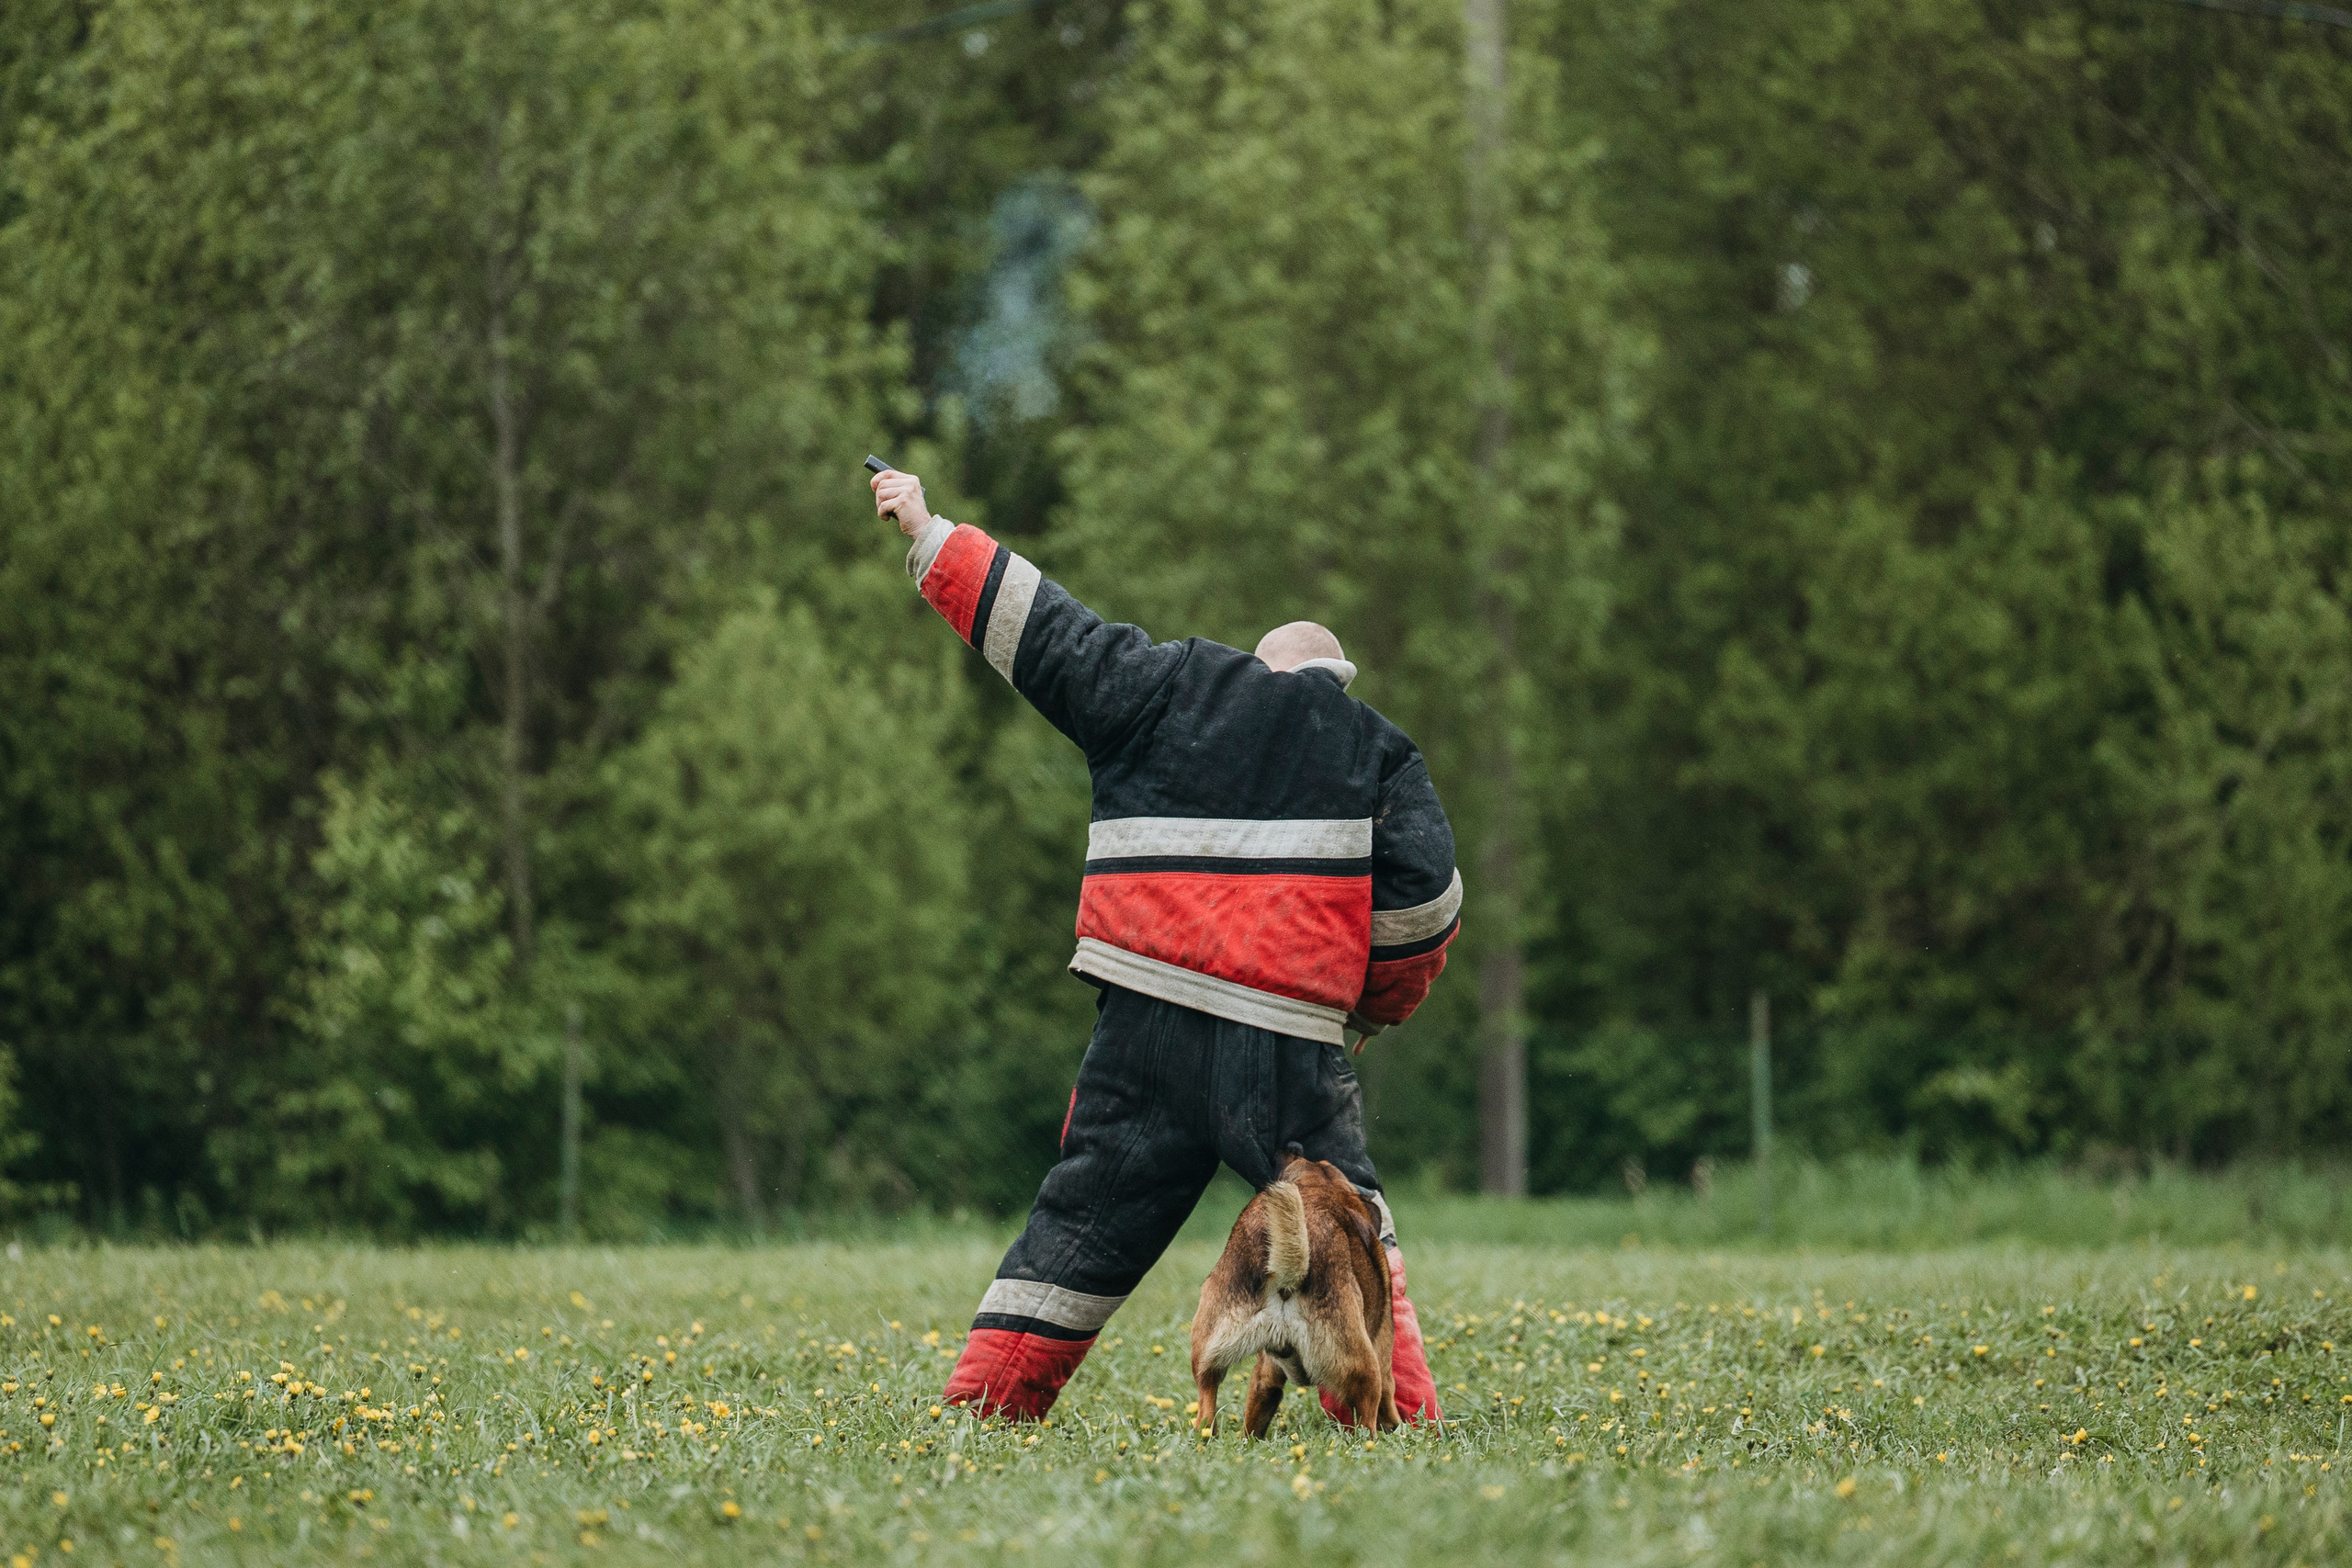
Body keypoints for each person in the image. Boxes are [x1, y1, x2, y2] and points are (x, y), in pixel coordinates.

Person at [871, 465, 1459, 1427]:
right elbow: (1424, 908)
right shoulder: (1375, 749)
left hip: (1144, 1021)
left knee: (1079, 1225)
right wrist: (1371, 1006)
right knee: (1347, 1228)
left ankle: (985, 1405)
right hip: (1285, 1037)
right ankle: (1394, 1419)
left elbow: (1046, 633)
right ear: (1337, 681)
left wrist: (931, 532)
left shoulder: (1167, 686)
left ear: (1261, 667)